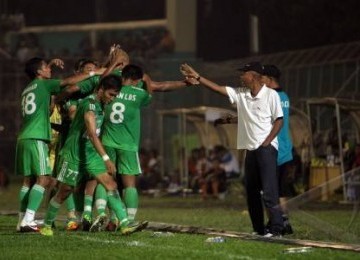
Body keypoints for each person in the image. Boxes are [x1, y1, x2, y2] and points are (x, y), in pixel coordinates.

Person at [180, 62, 284, 237]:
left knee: (269, 191)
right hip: (250, 150)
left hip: (266, 150)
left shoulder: (271, 95)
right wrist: (198, 77)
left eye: (244, 73)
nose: (241, 77)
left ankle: (277, 229)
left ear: (254, 76)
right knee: (251, 193)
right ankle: (258, 230)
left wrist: (267, 142)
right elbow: (218, 89)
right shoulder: (242, 94)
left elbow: (279, 120)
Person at [39, 75, 146, 236]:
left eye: (115, 96)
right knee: (65, 192)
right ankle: (46, 225)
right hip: (74, 154)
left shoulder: (102, 103)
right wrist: (106, 158)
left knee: (111, 184)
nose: (113, 99)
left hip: (91, 154)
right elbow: (92, 134)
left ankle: (125, 224)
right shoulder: (89, 105)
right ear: (101, 90)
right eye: (111, 95)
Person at [16, 57, 100, 232]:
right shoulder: (44, 85)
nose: (49, 69)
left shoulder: (27, 89)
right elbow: (68, 81)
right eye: (46, 67)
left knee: (28, 180)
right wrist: (93, 72)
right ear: (39, 72)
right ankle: (28, 220)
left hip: (24, 137)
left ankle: (21, 220)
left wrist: (51, 65)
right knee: (44, 179)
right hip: (37, 136)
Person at [262, 64, 294, 235]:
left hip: (274, 150)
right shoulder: (284, 96)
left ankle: (275, 223)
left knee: (268, 191)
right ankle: (285, 222)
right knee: (281, 191)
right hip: (286, 149)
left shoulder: (271, 96)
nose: (260, 80)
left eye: (263, 77)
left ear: (270, 79)